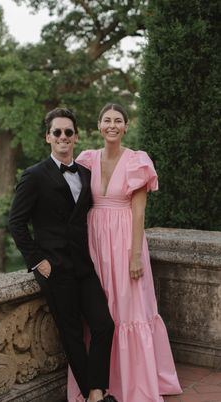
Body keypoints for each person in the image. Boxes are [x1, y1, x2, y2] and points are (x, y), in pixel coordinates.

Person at [69, 103, 182, 402]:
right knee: (100, 311)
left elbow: (139, 212)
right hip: (95, 242)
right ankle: (98, 383)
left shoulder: (137, 161)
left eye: (118, 120)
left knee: (129, 308)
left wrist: (134, 256)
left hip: (125, 241)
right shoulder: (87, 160)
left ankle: (135, 384)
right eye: (107, 120)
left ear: (126, 126)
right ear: (98, 125)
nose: (112, 125)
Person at [9, 107, 118, 402]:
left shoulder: (86, 173)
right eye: (57, 132)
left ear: (76, 137)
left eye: (68, 132)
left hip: (84, 265)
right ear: (48, 137)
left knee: (104, 325)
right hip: (54, 269)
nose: (63, 137)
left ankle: (96, 388)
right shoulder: (33, 176)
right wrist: (37, 261)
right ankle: (95, 396)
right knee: (71, 335)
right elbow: (16, 223)